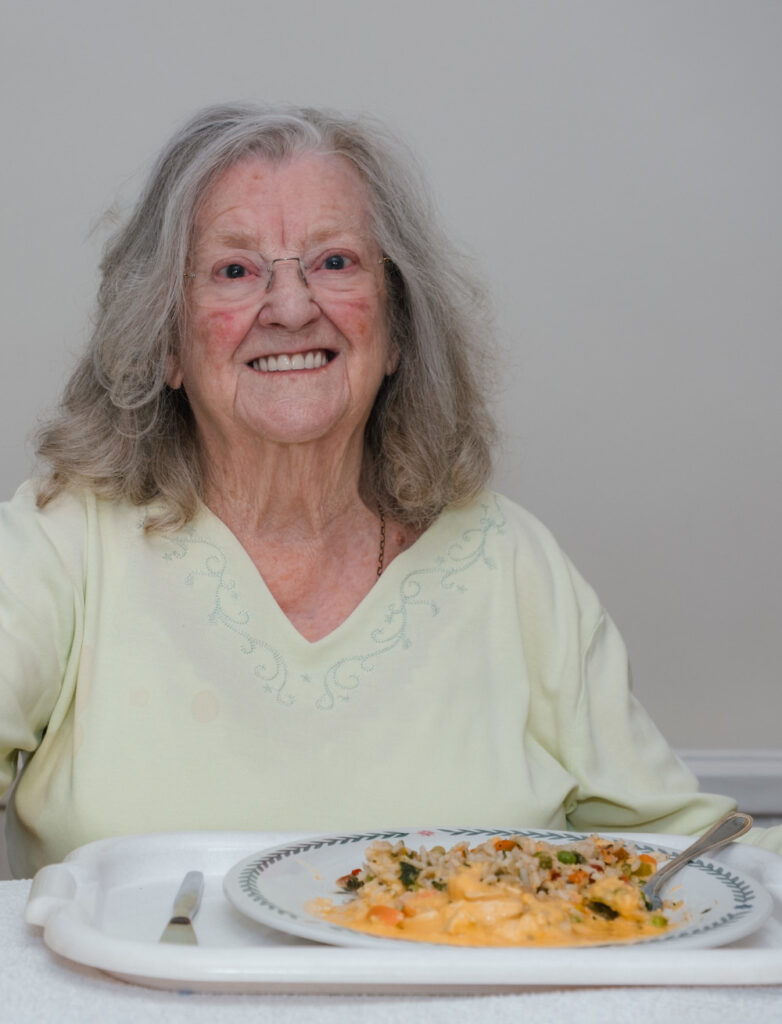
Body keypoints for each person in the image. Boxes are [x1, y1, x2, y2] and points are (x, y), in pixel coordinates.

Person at [0, 104, 777, 879]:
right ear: (165, 342)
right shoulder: (63, 541)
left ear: (399, 328)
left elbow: (691, 860)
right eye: (235, 270)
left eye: (335, 262)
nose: (293, 307)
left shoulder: (512, 564)